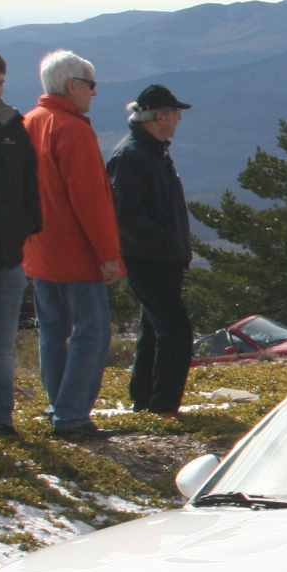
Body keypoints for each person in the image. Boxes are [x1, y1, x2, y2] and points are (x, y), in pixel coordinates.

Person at [24, 50, 123, 439]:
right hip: (75, 253)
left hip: (36, 250)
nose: (94, 94)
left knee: (52, 331)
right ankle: (72, 415)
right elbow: (90, 200)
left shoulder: (29, 123)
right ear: (72, 86)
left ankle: (58, 405)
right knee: (91, 332)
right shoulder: (74, 130)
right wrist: (108, 255)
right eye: (91, 85)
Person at [107, 85, 196, 417]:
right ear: (159, 116)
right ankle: (164, 407)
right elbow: (126, 217)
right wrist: (164, 243)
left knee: (153, 332)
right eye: (175, 113)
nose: (178, 119)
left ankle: (144, 399)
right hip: (148, 259)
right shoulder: (130, 156)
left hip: (161, 257)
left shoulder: (153, 150)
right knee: (176, 332)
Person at [0, 52, 42, 439]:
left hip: (8, 256)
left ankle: (1, 420)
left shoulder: (13, 125)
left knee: (3, 348)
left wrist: (28, 226)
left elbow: (30, 181)